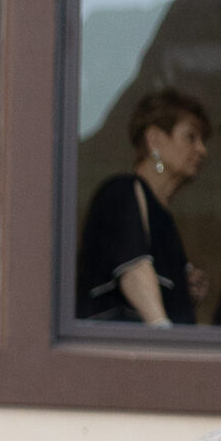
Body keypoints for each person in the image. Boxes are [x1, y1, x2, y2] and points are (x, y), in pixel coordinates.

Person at [78, 87, 212, 326]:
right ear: (155, 140)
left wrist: (183, 291)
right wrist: (163, 334)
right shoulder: (121, 192)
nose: (202, 150)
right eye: (191, 137)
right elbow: (134, 270)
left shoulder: (163, 216)